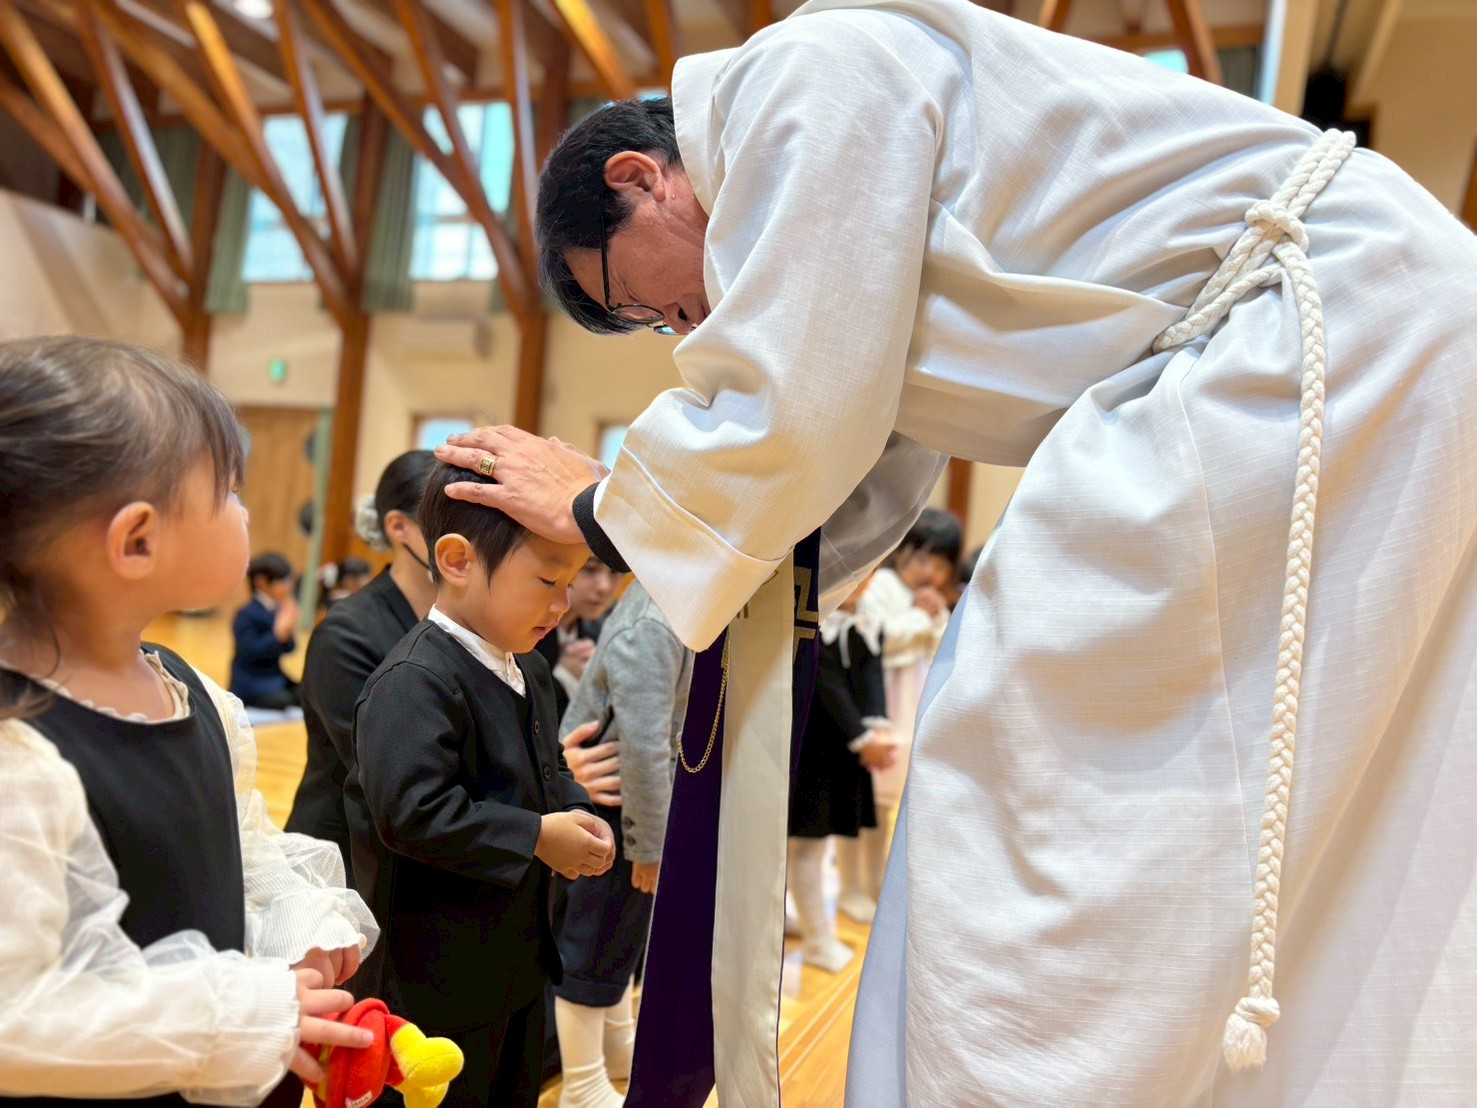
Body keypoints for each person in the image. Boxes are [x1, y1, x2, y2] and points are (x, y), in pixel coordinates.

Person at [435, 1, 1477, 1102]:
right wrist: (691, 545)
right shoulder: (816, 203)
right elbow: (854, 463)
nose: (678, 327)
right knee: (1321, 794)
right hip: (1350, 327)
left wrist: (597, 503)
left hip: (1302, 318)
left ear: (639, 178)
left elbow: (797, 411)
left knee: (1015, 717)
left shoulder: (799, 76)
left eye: (639, 300)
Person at [0, 336, 378, 1104]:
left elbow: (242, 850)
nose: (244, 510)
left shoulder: (192, 692)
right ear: (137, 540)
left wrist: (292, 931)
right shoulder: (18, 754)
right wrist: (237, 1014)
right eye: (229, 491)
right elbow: (17, 1015)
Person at [346, 463, 616, 1108]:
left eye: (569, 584)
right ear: (458, 560)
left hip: (514, 957)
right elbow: (413, 813)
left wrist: (576, 811)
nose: (561, 604)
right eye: (547, 581)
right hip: (433, 978)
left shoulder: (529, 667)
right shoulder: (415, 680)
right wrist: (536, 836)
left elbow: (549, 764)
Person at [554, 579, 693, 1108]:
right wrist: (650, 848)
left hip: (628, 807)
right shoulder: (652, 624)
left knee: (620, 945)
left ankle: (617, 1052)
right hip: (613, 809)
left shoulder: (670, 607)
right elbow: (644, 747)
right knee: (592, 953)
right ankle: (582, 1084)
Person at [286, 451, 440, 876]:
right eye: (447, 519)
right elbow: (389, 773)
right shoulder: (346, 634)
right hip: (342, 858)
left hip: (421, 853)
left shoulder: (474, 623)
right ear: (398, 526)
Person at [788, 574, 895, 972]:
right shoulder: (817, 618)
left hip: (844, 749)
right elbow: (825, 682)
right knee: (806, 847)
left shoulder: (868, 617)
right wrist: (861, 737)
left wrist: (877, 728)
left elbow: (872, 675)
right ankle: (818, 940)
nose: (865, 579)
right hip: (811, 748)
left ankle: (809, 928)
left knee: (814, 846)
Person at [535, 553, 618, 714]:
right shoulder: (524, 629)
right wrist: (564, 678)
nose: (604, 587)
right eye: (590, 568)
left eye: (615, 572)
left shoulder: (600, 634)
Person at [229, 552, 301, 710]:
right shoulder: (246, 614)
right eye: (282, 581)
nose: (289, 586)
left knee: (305, 693)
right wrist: (278, 635)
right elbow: (249, 651)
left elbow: (291, 648)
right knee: (283, 700)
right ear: (261, 582)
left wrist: (287, 633)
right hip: (251, 682)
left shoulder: (277, 610)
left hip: (274, 677)